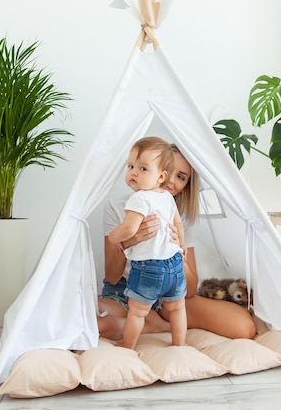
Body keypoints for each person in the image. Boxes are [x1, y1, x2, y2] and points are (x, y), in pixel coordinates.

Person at [98, 143, 256, 341]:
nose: (170, 181)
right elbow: (112, 276)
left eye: (181, 177)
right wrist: (130, 241)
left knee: (244, 328)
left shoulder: (179, 218)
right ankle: (153, 325)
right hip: (126, 292)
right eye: (169, 170)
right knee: (97, 324)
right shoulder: (118, 207)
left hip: (168, 294)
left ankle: (154, 323)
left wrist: (176, 249)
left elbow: (189, 288)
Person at [107, 136, 187, 349]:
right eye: (131, 166)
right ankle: (179, 345)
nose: (133, 172)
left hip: (149, 268)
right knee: (178, 309)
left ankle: (127, 346)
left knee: (137, 312)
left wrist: (114, 237)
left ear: (161, 176)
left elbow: (129, 229)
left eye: (143, 169)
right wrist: (182, 246)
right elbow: (178, 224)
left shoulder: (139, 199)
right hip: (175, 265)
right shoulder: (168, 198)